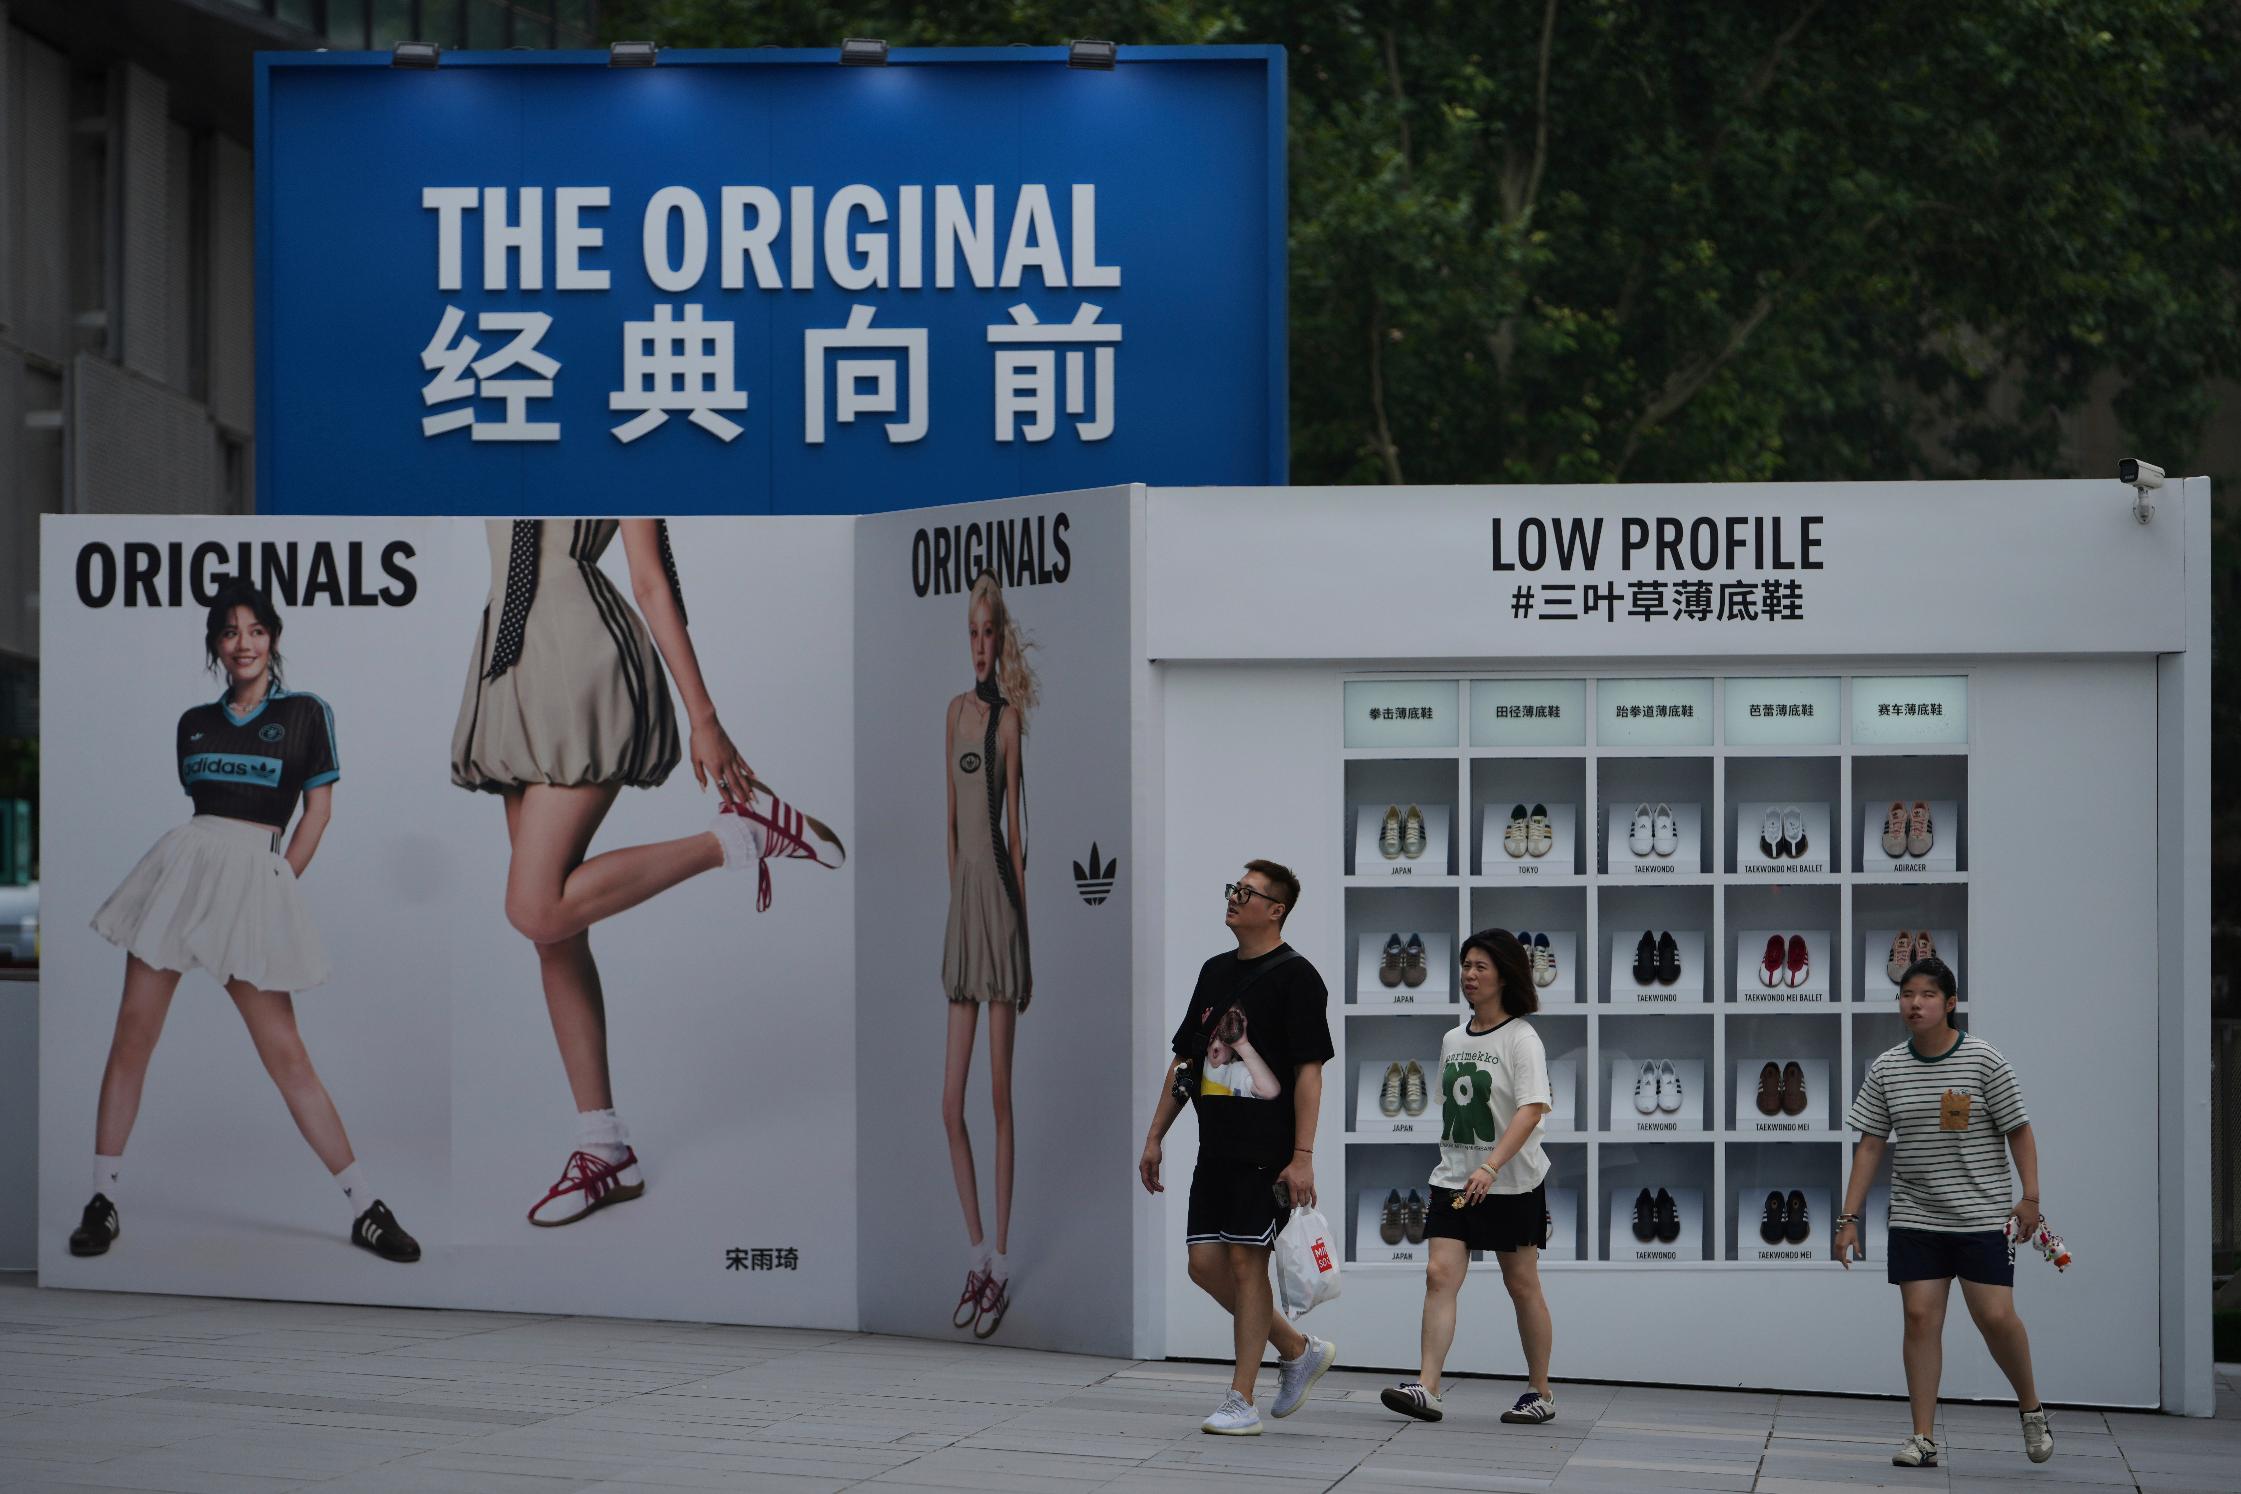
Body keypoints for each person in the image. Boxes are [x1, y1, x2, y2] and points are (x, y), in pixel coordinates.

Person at [451, 519, 842, 1227]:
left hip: (582, 662)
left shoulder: (625, 435)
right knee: (554, 932)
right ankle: (603, 1150)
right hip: (511, 669)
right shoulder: (518, 420)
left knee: (536, 906)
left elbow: (651, 578)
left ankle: (736, 839)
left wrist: (705, 718)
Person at [71, 581, 422, 1263]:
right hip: (181, 874)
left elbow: (317, 814)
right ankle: (103, 1199)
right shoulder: (193, 724)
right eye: (229, 632)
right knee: (132, 1036)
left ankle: (364, 1206)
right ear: (215, 645)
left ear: (274, 638)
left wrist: (278, 882)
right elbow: (206, 816)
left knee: (286, 1054)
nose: (243, 643)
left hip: (251, 880)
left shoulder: (306, 714)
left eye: (255, 630)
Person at [1140, 861, 1337, 1436]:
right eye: (1233, 888)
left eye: (1247, 893)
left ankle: (1240, 1399)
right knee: (1204, 1266)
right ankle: (1297, 1348)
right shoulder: (1214, 971)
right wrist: (1156, 1135)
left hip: (1265, 1150)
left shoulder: (1299, 978)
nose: (1234, 898)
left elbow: (1308, 1074)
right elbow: (1187, 1060)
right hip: (1215, 1146)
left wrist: (1302, 1155)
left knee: (1249, 1266)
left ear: (1275, 909)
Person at [1836, 956, 2053, 1468]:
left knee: (1996, 1318)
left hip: (1980, 1216)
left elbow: (2018, 1130)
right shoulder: (1887, 1068)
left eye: (1927, 995)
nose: (1915, 1004)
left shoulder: (1984, 1061)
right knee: (1919, 1319)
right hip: (1916, 1216)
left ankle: (2031, 1409)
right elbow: (1870, 1145)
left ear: (1950, 1003)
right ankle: (1923, 1437)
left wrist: (2031, 1198)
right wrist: (1848, 1219)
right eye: (1907, 995)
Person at [1381, 929, 1556, 1425]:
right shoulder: (1453, 1039)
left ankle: (1539, 1392)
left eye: (1480, 966)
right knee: (1439, 1276)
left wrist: (1492, 1165)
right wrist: (1469, 1167)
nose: (1469, 975)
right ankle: (1427, 1387)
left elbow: (1530, 1110)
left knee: (1521, 1284)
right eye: (1465, 965)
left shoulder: (1523, 1037)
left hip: (1511, 1180)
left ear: (1504, 974)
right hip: (1454, 1177)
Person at [942, 569, 1036, 1339]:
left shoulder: (1008, 723)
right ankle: (976, 1253)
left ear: (1002, 640)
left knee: (998, 1098)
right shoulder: (953, 714)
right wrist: (956, 910)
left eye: (988, 633)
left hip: (1001, 913)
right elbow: (951, 823)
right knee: (949, 1104)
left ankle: (1000, 1265)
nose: (978, 646)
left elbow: (1017, 835)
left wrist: (1023, 941)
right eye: (970, 633)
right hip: (962, 914)